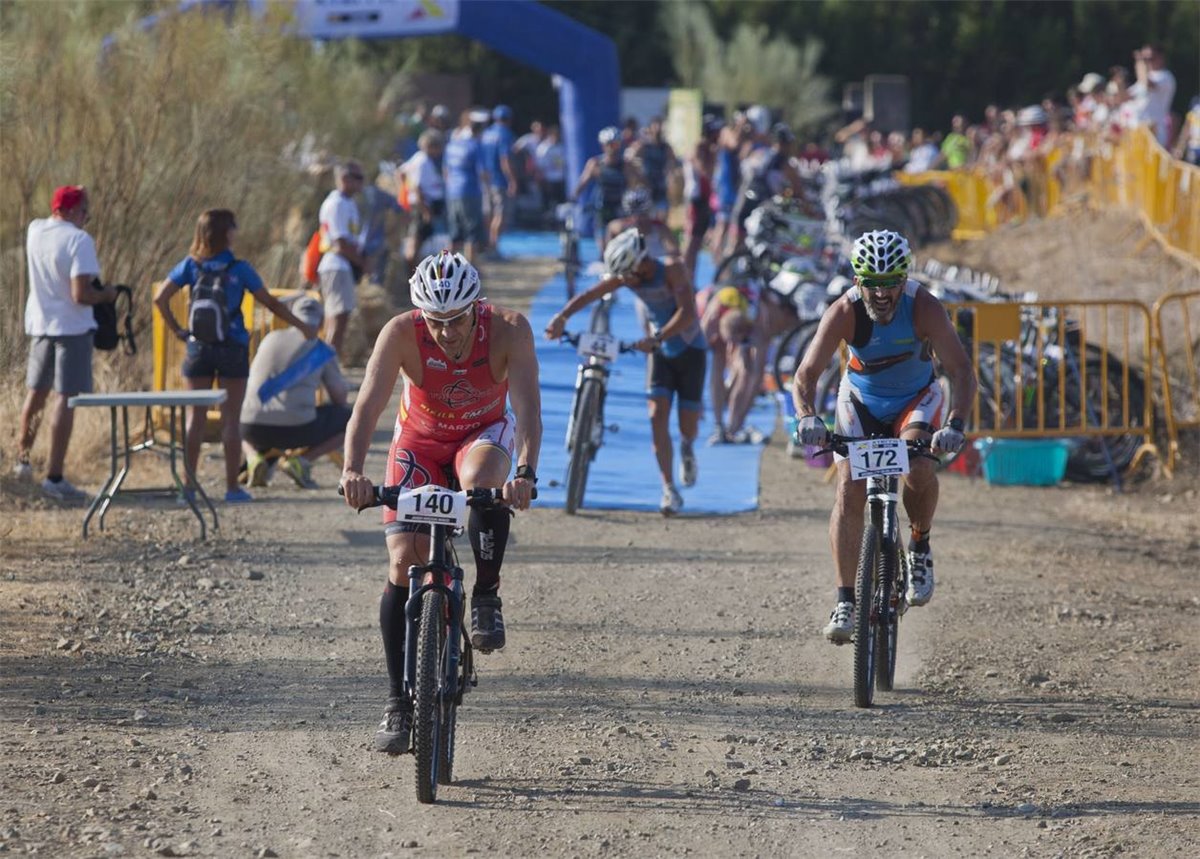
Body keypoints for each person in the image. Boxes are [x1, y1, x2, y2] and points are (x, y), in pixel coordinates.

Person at [340, 250, 541, 754]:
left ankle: (487, 596)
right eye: (436, 320)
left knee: (482, 481)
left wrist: (524, 474)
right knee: (401, 561)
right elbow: (368, 404)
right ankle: (396, 700)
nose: (447, 332)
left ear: (477, 307)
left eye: (457, 319)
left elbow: (528, 409)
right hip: (420, 442)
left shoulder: (510, 330)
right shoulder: (400, 333)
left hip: (482, 435)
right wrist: (352, 470)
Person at [791, 230, 976, 643]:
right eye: (873, 283)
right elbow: (805, 375)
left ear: (903, 279)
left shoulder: (924, 306)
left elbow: (961, 370)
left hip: (916, 398)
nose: (882, 294)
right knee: (848, 489)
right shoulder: (844, 311)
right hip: (862, 400)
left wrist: (955, 424)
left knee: (919, 468)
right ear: (858, 281)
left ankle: (919, 545)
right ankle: (845, 600)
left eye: (890, 282)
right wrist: (807, 417)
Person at [154, 209, 317, 503]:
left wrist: (179, 330)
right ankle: (231, 488)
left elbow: (160, 298)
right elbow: (271, 304)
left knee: (195, 420)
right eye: (233, 227)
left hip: (198, 349)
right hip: (232, 348)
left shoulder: (191, 265)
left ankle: (188, 488)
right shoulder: (239, 269)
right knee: (231, 420)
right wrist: (302, 326)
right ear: (226, 233)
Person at [544, 228, 705, 516]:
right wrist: (562, 317)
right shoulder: (627, 273)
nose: (626, 282)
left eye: (629, 275)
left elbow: (688, 313)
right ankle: (669, 488)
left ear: (642, 262)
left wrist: (658, 337)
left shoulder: (673, 269)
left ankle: (687, 446)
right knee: (657, 416)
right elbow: (591, 294)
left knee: (687, 425)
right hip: (659, 351)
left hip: (690, 349)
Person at [16, 185, 117, 499]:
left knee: (36, 393)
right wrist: (107, 295)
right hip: (72, 328)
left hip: (40, 324)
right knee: (65, 397)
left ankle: (22, 462)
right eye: (85, 212)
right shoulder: (79, 240)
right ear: (72, 211)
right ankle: (55, 476)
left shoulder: (35, 231)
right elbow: (80, 294)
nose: (87, 218)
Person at [239, 296, 350, 489]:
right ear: (321, 322)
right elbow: (339, 397)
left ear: (292, 318)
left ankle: (253, 457)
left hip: (250, 427)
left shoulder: (269, 338)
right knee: (350, 418)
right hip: (295, 430)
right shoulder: (322, 349)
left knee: (244, 412)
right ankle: (302, 461)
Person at [317, 161, 369, 359]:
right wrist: (362, 264)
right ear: (344, 179)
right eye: (358, 178)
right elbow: (340, 244)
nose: (362, 182)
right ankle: (328, 369)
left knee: (338, 320)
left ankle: (327, 368)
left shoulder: (348, 203)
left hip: (341, 265)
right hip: (335, 265)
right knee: (337, 322)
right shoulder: (337, 204)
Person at [572, 126, 642, 250]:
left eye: (616, 144)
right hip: (602, 208)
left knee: (621, 243)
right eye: (609, 145)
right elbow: (583, 182)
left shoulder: (626, 165)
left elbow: (636, 185)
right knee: (603, 246)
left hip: (621, 208)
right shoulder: (596, 164)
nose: (612, 148)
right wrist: (573, 197)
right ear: (603, 146)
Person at [444, 109, 488, 263]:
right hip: (470, 191)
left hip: (452, 192)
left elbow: (446, 171)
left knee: (454, 234)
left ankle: (444, 268)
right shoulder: (475, 146)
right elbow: (483, 172)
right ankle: (471, 268)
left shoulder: (452, 145)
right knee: (471, 233)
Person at [401, 129, 447, 273]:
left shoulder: (418, 158)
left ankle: (414, 270)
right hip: (423, 206)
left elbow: (402, 172)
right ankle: (412, 273)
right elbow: (417, 187)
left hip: (422, 205)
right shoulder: (423, 162)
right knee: (416, 239)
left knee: (419, 239)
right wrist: (425, 210)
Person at [480, 105, 517, 258]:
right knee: (500, 214)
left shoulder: (486, 134)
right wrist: (512, 180)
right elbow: (505, 159)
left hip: (485, 179)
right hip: (499, 180)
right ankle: (493, 247)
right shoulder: (505, 135)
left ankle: (487, 244)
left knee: (488, 213)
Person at [626, 116, 678, 218]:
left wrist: (671, 175)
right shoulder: (644, 145)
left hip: (660, 186)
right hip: (646, 186)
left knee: (662, 216)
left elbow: (674, 162)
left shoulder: (665, 147)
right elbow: (629, 159)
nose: (658, 131)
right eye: (655, 128)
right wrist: (638, 174)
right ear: (650, 129)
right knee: (645, 216)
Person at [1128, 44, 1176, 147]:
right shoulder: (1141, 81)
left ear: (1161, 58)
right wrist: (1119, 82)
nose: (1146, 62)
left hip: (1155, 133)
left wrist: (1140, 63)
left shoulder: (1166, 77)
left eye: (1149, 58)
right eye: (1144, 59)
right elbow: (1124, 97)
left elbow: (1147, 84)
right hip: (1138, 131)